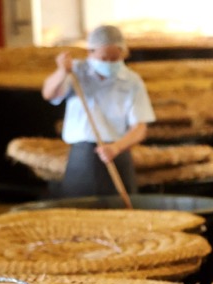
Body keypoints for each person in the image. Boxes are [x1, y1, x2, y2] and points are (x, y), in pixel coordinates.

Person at [41, 25, 155, 198]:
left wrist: (116, 148)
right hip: (82, 156)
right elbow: (49, 94)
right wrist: (61, 72)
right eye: (104, 58)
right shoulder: (75, 72)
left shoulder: (132, 81)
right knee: (78, 213)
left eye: (114, 58)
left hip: (117, 154)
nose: (109, 63)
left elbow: (140, 128)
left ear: (123, 54)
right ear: (90, 53)